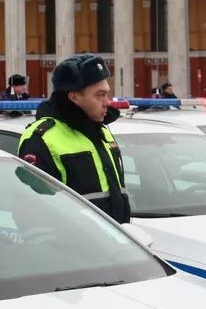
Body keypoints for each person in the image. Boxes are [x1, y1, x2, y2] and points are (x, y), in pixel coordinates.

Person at [18, 53, 130, 223]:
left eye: (107, 94)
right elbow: (34, 213)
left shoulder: (102, 131)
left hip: (112, 245)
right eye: (99, 95)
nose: (107, 102)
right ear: (74, 97)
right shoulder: (41, 138)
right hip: (70, 247)